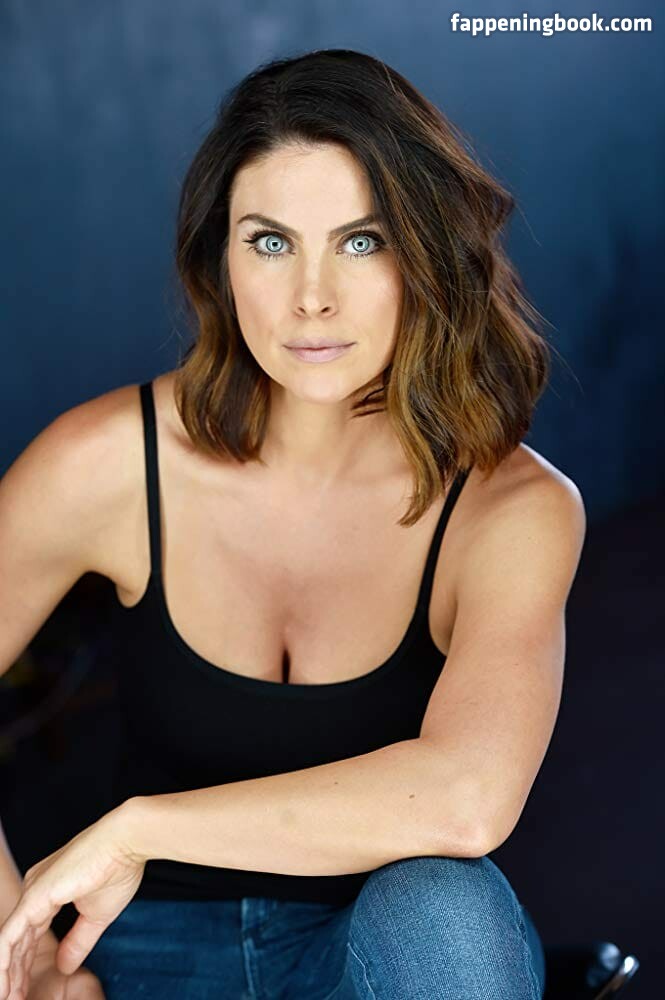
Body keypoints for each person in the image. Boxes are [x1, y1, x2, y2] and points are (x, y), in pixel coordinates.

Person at [0, 48, 586, 999]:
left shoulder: (509, 508)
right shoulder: (107, 462)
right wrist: (22, 960)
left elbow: (467, 801)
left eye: (363, 241)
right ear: (221, 258)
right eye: (270, 242)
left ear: (428, 253)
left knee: (446, 907)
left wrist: (139, 829)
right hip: (126, 952)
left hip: (364, 956)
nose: (312, 296)